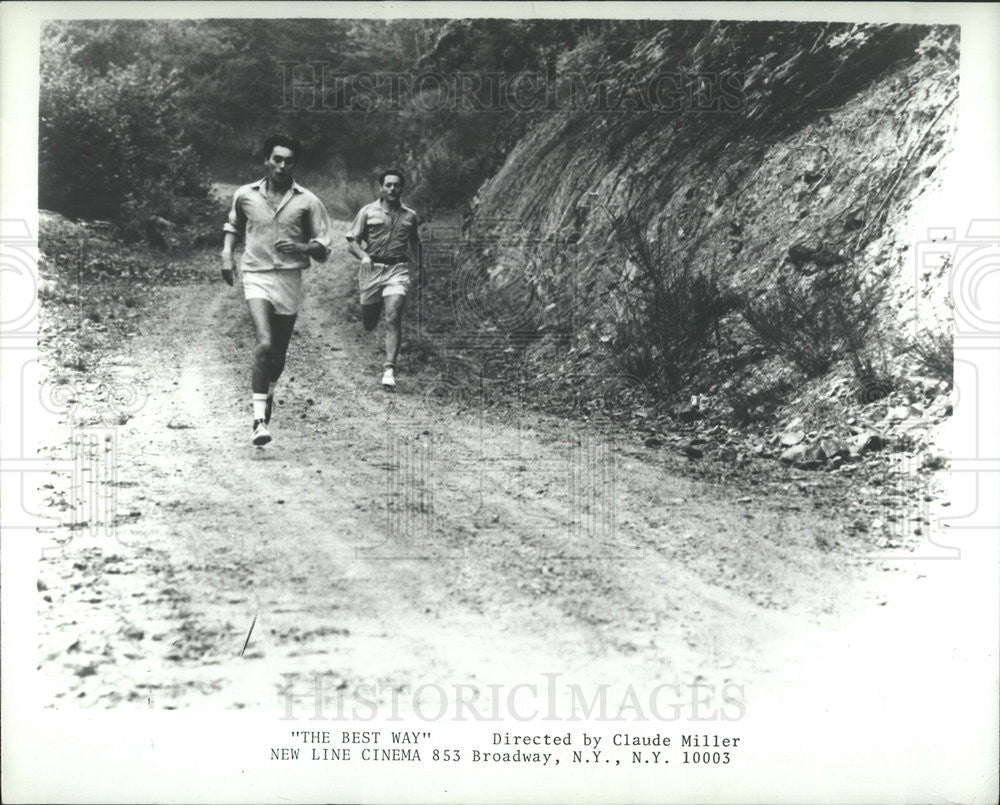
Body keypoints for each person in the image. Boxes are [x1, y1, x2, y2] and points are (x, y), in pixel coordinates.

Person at [221, 135, 333, 445]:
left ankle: (267, 392)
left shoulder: (308, 201)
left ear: (295, 164)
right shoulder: (245, 195)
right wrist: (227, 254)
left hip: (289, 278)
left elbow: (324, 249)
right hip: (255, 274)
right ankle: (259, 422)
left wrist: (301, 246)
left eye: (288, 161)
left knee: (279, 354)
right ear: (267, 161)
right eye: (277, 159)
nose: (282, 166)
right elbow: (233, 226)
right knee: (265, 342)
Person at [345, 169, 422, 389]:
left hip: (397, 269)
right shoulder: (367, 212)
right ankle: (373, 306)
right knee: (369, 322)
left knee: (393, 316)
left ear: (401, 188)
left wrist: (422, 267)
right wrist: (364, 255)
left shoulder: (410, 216)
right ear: (381, 187)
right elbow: (352, 241)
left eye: (396, 185)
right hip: (372, 270)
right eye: (388, 185)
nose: (392, 189)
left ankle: (389, 368)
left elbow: (415, 243)